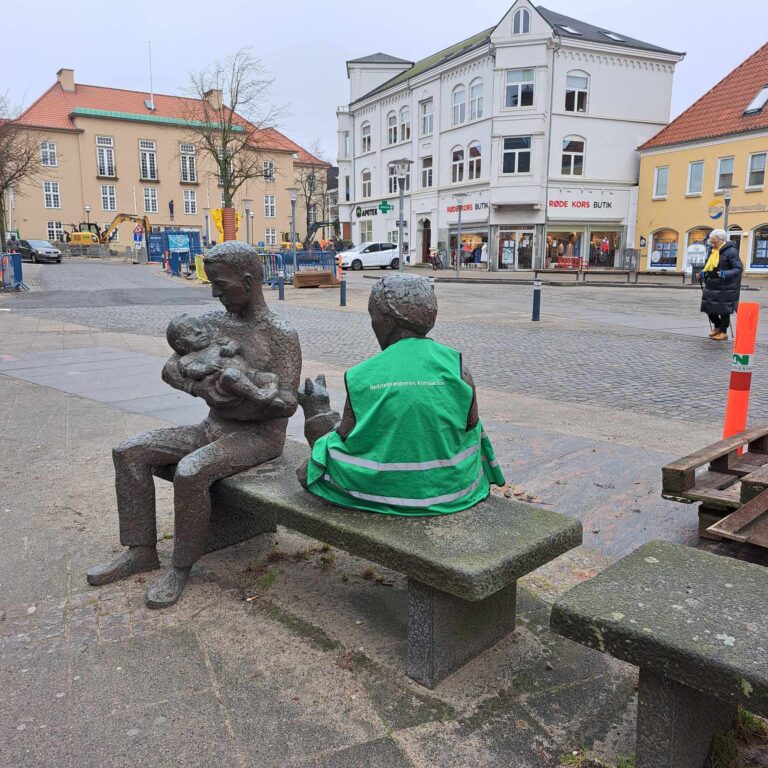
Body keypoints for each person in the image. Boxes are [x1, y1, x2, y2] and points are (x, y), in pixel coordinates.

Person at [87, 242, 302, 608]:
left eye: (220, 283)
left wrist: (246, 396)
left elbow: (287, 404)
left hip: (259, 437)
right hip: (213, 426)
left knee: (190, 471)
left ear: (247, 281)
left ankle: (180, 567)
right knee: (129, 452)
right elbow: (171, 367)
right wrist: (200, 388)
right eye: (212, 283)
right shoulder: (215, 324)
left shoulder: (280, 334)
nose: (215, 293)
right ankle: (140, 551)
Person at [296, 274, 505, 516]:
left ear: (387, 321)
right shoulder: (457, 367)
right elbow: (471, 428)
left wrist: (318, 413)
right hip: (454, 490)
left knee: (315, 463)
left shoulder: (362, 376)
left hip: (386, 491)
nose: (372, 324)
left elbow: (345, 439)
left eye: (373, 316)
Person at [700, 228, 742, 341]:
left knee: (724, 309)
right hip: (712, 284)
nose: (712, 244)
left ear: (722, 240)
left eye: (715, 241)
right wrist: (704, 273)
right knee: (709, 307)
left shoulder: (731, 251)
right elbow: (709, 266)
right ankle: (717, 327)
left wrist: (724, 273)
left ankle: (723, 332)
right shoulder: (712, 250)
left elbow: (738, 269)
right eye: (711, 241)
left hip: (726, 285)